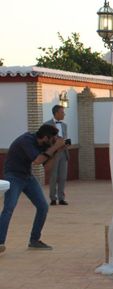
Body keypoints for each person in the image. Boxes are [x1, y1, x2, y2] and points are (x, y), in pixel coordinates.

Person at [0, 124, 66, 253]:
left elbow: (47, 168)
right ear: (46, 138)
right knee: (9, 208)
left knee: (43, 207)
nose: (54, 141)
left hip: (27, 177)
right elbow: (37, 161)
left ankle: (34, 240)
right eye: (53, 139)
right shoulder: (26, 140)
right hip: (13, 176)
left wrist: (58, 151)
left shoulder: (45, 144)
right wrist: (55, 147)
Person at [45, 105, 69, 205]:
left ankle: (61, 198)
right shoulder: (47, 124)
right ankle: (53, 198)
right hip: (54, 154)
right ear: (56, 113)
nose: (64, 114)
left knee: (63, 176)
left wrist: (66, 143)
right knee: (53, 176)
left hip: (64, 153)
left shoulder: (64, 125)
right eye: (62, 112)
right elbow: (45, 140)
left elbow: (65, 138)